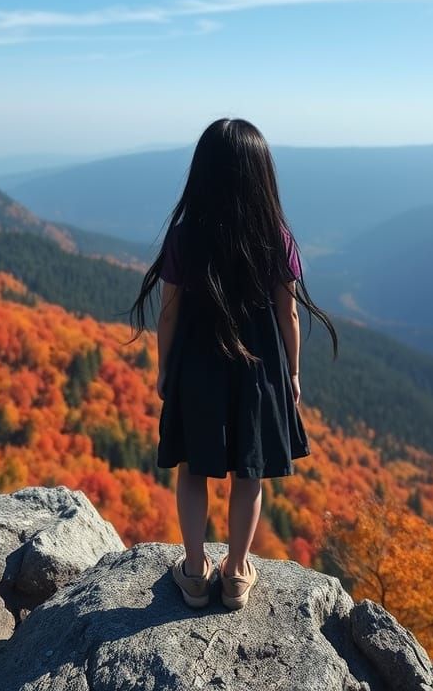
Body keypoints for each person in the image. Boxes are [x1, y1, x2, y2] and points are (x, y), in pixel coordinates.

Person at [130, 118, 338, 610]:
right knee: (250, 471)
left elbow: (169, 312)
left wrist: (164, 369)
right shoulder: (277, 237)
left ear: (201, 173)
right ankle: (238, 572)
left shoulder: (184, 237)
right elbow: (288, 312)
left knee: (192, 469)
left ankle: (196, 571)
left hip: (196, 366)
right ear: (261, 175)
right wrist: (291, 373)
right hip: (258, 371)